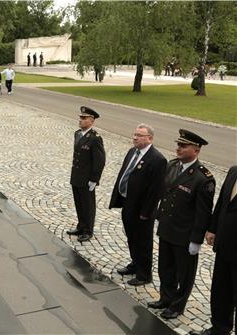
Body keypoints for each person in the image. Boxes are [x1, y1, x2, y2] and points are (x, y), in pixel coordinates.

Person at [148, 129, 215, 320]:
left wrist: (196, 240)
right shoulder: (173, 165)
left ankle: (177, 306)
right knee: (165, 267)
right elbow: (166, 194)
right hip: (167, 228)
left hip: (185, 235)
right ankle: (166, 298)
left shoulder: (203, 178)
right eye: (178, 144)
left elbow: (203, 213)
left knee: (184, 275)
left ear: (196, 150)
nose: (178, 148)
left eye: (183, 146)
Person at [109, 124, 167, 286]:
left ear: (150, 138)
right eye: (134, 134)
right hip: (128, 203)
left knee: (143, 241)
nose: (135, 137)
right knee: (132, 237)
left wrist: (146, 212)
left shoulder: (157, 159)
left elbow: (156, 190)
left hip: (143, 209)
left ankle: (144, 274)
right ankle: (135, 263)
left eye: (140, 135)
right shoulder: (132, 152)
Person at [190, 165, 237, 335]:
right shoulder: (233, 171)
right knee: (221, 291)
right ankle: (219, 329)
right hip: (225, 245)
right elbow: (222, 204)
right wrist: (213, 228)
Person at [66, 106, 106, 242]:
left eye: (84, 118)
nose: (80, 120)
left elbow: (100, 161)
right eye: (80, 117)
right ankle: (81, 226)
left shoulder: (95, 138)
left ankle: (88, 230)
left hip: (87, 178)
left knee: (88, 205)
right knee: (79, 203)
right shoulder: (77, 133)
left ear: (92, 121)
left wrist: (94, 179)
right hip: (76, 175)